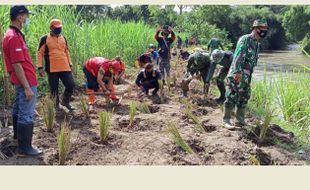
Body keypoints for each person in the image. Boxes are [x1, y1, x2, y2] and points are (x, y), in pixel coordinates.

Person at [2, 5, 42, 156]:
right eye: (26, 16)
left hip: (22, 80)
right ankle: (25, 148)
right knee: (26, 113)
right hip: (26, 81)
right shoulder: (13, 37)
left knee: (19, 109)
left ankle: (18, 139)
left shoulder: (15, 35)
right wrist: (27, 87)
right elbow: (16, 64)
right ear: (19, 16)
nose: (27, 19)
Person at [223, 19, 268, 130]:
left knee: (244, 96)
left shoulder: (257, 44)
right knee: (232, 95)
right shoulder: (246, 39)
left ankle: (240, 120)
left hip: (247, 74)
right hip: (238, 72)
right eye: (262, 29)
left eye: (265, 29)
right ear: (256, 28)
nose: (264, 31)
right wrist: (237, 72)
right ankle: (226, 120)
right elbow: (238, 55)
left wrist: (248, 76)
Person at [37, 19, 75, 111]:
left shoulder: (63, 38)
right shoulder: (44, 38)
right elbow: (39, 53)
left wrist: (70, 64)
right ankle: (56, 105)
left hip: (65, 66)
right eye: (56, 28)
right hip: (52, 68)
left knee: (71, 85)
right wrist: (40, 67)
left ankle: (65, 102)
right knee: (54, 89)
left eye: (60, 27)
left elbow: (67, 52)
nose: (58, 29)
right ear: (51, 28)